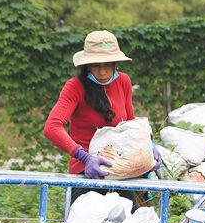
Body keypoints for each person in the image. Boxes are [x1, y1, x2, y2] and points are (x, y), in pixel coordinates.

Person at [43, 30, 162, 208]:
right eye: (96, 65)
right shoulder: (74, 87)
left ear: (116, 64)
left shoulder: (123, 82)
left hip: (120, 169)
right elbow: (51, 127)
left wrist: (148, 147)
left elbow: (129, 124)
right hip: (87, 171)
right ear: (87, 65)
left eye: (108, 65)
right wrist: (84, 157)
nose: (103, 71)